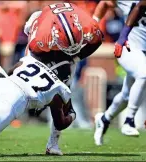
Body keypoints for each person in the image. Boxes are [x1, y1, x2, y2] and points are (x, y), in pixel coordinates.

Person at [23, 2, 104, 155]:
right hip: (43, 34)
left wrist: (75, 58)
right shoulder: (42, 35)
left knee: (63, 91)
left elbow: (97, 41)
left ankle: (53, 142)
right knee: (27, 81)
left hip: (67, 41)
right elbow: (33, 54)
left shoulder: (89, 26)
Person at [93, 0, 146, 145]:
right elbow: (105, 3)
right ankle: (129, 121)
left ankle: (104, 119)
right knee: (144, 73)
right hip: (129, 47)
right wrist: (94, 24)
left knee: (126, 96)